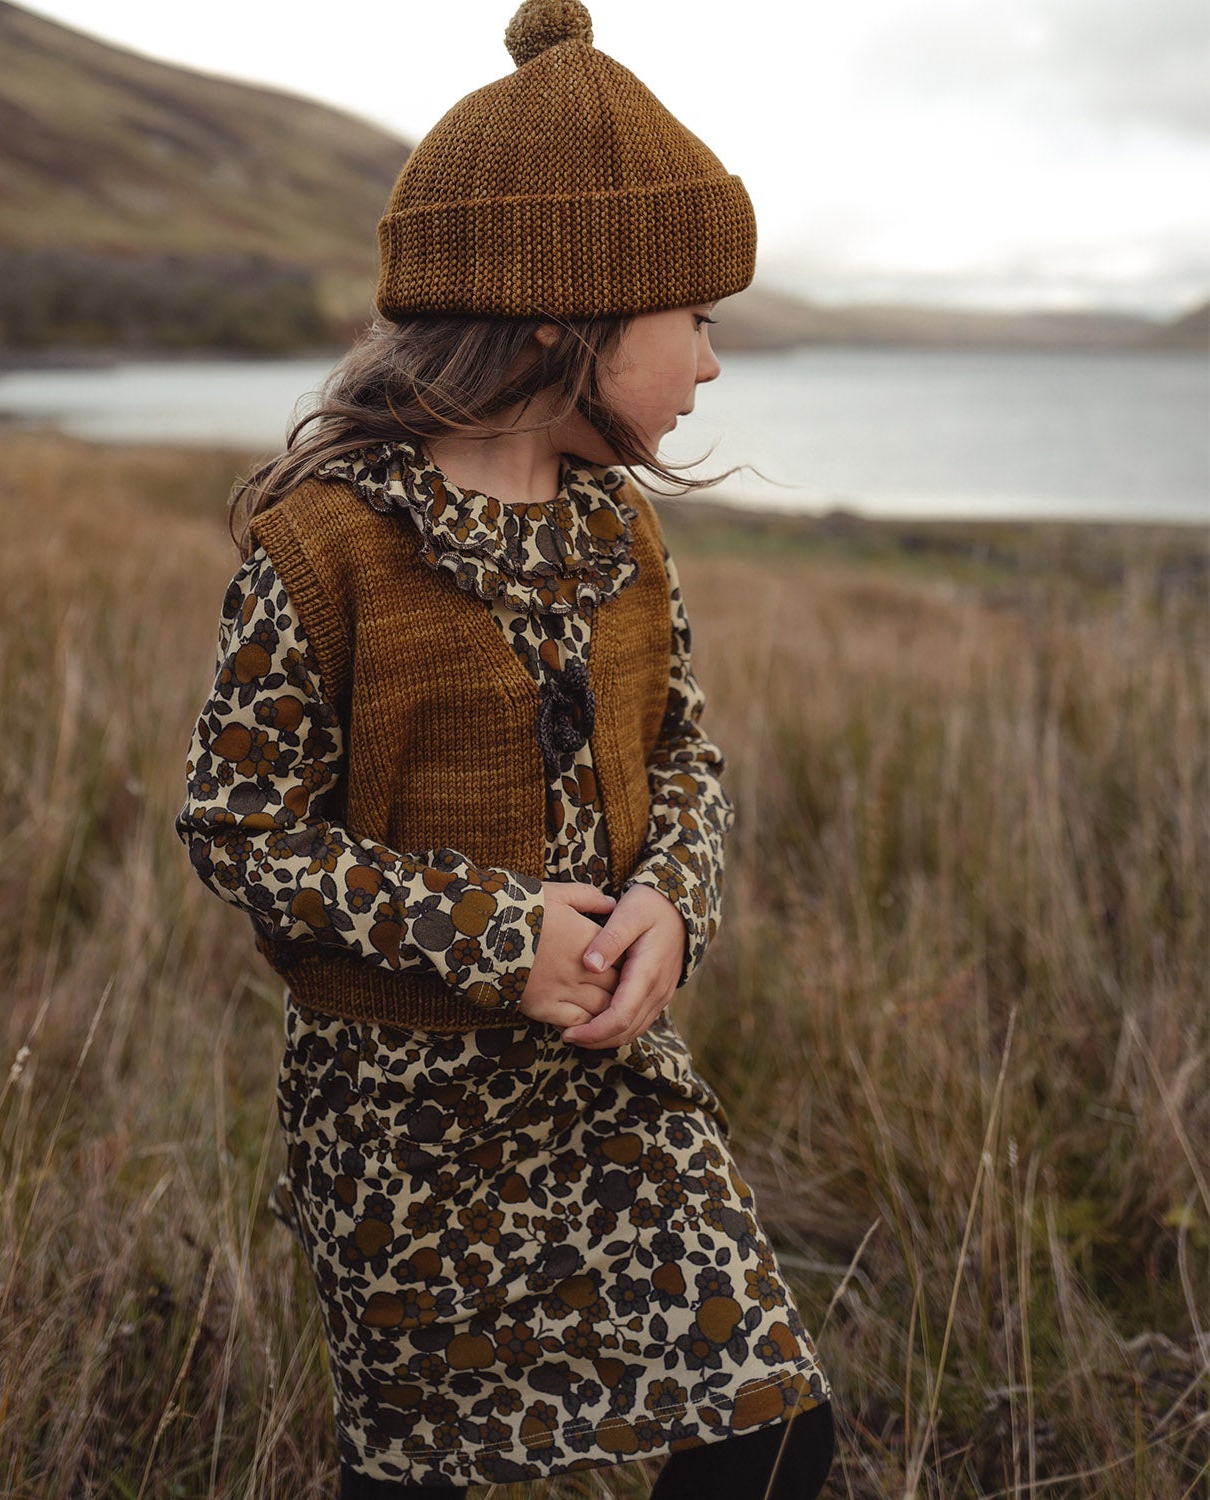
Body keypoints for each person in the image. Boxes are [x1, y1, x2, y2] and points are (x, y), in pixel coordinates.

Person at [175, 1, 834, 1493]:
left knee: (771, 1436)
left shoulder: (619, 529)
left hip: (613, 1096)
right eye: (694, 320)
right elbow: (238, 826)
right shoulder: (328, 546)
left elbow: (685, 753)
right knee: (428, 1476)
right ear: (564, 317)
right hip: (402, 1127)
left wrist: (674, 902)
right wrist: (490, 934)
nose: (711, 365)